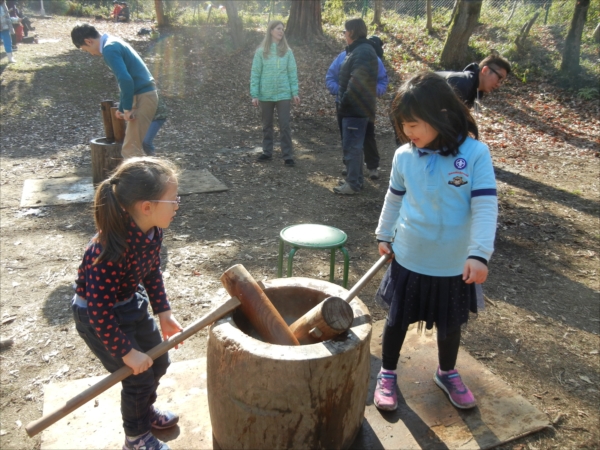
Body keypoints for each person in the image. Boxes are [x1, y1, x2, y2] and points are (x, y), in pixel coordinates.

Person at [373, 72, 498, 412]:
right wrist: (384, 234)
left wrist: (479, 254)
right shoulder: (404, 156)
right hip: (410, 254)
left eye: (414, 125)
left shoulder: (474, 154)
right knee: (397, 320)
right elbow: (394, 199)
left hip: (453, 260)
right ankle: (387, 372)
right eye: (403, 126)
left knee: (450, 321)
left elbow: (485, 205)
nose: (407, 133)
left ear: (440, 115)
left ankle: (447, 371)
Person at [72, 158, 183, 450]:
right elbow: (99, 313)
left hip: (129, 302)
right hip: (96, 317)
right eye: (172, 200)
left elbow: (151, 271)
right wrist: (126, 352)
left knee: (158, 360)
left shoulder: (152, 231)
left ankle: (144, 412)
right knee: (137, 376)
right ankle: (136, 438)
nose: (176, 206)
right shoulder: (107, 250)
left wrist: (164, 313)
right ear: (147, 207)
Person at [71, 24, 158, 159]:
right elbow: (125, 80)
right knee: (134, 149)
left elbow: (125, 79)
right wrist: (122, 108)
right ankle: (148, 178)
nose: (92, 54)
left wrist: (128, 108)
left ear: (89, 41)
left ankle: (144, 180)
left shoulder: (109, 49)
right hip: (143, 94)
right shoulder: (114, 41)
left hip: (143, 96)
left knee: (131, 151)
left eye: (86, 50)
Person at [326, 35, 388, 181]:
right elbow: (330, 77)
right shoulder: (343, 56)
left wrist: (372, 92)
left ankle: (372, 166)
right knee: (347, 137)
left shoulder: (373, 58)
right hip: (344, 104)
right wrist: (340, 92)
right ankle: (350, 166)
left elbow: (383, 80)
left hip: (366, 103)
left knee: (368, 134)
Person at [333, 18, 378, 195]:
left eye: (345, 31)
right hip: (357, 107)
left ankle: (352, 184)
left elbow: (357, 81)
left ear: (351, 32)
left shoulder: (362, 52)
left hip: (355, 108)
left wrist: (344, 102)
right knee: (354, 145)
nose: (344, 35)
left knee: (352, 146)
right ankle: (355, 179)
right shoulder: (360, 50)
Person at [250, 20, 300, 167]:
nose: (281, 31)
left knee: (285, 125)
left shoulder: (288, 52)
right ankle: (267, 152)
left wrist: (294, 92)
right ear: (271, 31)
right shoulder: (261, 52)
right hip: (266, 95)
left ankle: (288, 156)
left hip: (284, 95)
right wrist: (255, 94)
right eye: (278, 28)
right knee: (267, 125)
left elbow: (292, 73)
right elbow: (255, 73)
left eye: (282, 29)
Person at [436, 54, 511, 110]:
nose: (499, 85)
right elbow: (442, 119)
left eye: (501, 81)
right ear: (485, 70)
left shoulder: (475, 90)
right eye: (499, 78)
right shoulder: (461, 83)